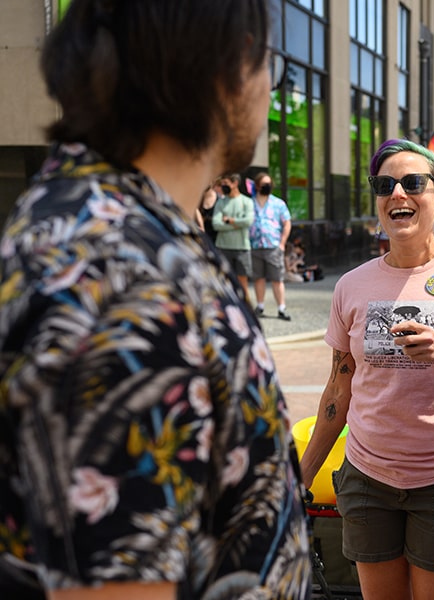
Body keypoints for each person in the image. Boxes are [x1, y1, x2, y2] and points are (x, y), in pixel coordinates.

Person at [0, 1, 311, 598]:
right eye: (268, 61)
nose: (270, 89)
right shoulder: (122, 274)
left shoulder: (111, 228)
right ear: (227, 65)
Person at [299, 138, 434, 600]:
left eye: (413, 183)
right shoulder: (351, 286)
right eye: (384, 185)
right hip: (367, 479)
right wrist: (301, 477)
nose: (397, 193)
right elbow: (339, 392)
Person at [249, 171, 292, 320]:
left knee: (277, 279)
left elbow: (287, 223)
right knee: (258, 278)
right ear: (257, 186)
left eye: (268, 183)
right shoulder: (250, 203)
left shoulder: (278, 203)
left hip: (273, 246)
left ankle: (281, 308)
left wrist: (282, 243)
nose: (266, 186)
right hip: (255, 246)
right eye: (263, 184)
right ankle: (260, 306)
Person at [212, 172, 254, 302]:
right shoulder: (221, 203)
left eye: (226, 184)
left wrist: (229, 220)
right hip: (223, 247)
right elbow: (216, 224)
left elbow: (248, 221)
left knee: (242, 281)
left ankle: (245, 307)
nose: (223, 186)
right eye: (222, 184)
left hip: (242, 247)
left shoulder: (246, 202)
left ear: (235, 183)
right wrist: (237, 224)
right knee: (224, 280)